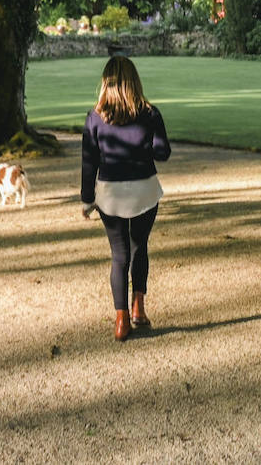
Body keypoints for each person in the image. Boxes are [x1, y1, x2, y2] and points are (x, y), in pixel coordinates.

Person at [80, 55, 171, 341]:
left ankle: (121, 321)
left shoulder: (94, 117)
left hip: (110, 194)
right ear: (135, 81)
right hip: (144, 190)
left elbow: (89, 162)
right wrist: (144, 145)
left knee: (119, 256)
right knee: (139, 247)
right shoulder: (150, 113)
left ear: (106, 83)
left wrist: (86, 199)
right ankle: (138, 309)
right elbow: (163, 152)